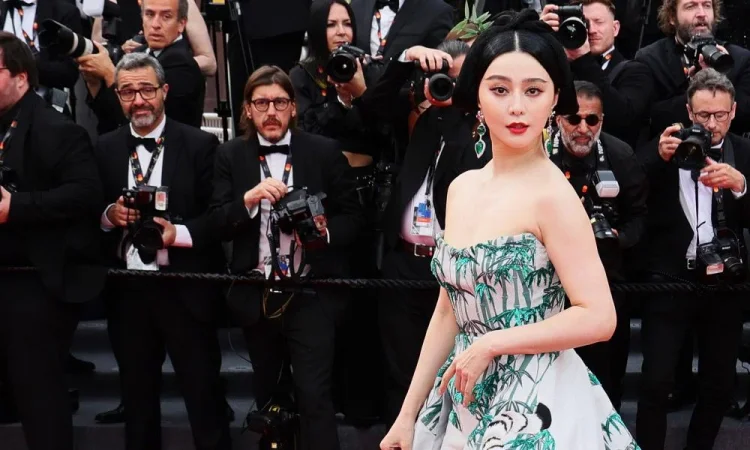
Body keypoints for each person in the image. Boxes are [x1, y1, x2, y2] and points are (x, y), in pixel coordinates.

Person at [379, 10, 637, 449]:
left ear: (555, 99)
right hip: (463, 394)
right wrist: (407, 416)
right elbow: (447, 311)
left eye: (533, 90)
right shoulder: (462, 188)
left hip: (539, 403)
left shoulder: (553, 196)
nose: (517, 106)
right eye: (500, 89)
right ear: (476, 96)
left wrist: (492, 344)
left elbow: (598, 317)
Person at [211, 65, 363, 450]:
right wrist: (247, 201)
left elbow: (354, 218)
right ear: (247, 110)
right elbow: (215, 222)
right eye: (261, 103)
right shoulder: (230, 155)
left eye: (279, 102)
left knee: (314, 395)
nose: (271, 111)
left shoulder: (323, 151)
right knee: (267, 399)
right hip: (257, 294)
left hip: (312, 293)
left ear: (293, 107)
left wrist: (321, 231)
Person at [94, 53, 230, 450]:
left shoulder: (201, 144)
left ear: (164, 91)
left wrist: (178, 234)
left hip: (186, 288)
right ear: (118, 97)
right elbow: (85, 209)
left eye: (146, 90)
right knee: (137, 404)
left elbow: (219, 216)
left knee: (204, 400)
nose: (138, 100)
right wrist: (108, 215)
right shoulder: (103, 148)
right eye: (128, 92)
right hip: (127, 292)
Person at [634, 68, 750, 450]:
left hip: (726, 284)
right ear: (688, 112)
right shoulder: (665, 147)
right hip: (668, 281)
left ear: (734, 112)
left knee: (718, 384)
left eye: (720, 115)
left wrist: (741, 186)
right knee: (655, 382)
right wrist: (655, 156)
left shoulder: (744, 153)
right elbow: (629, 186)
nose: (711, 124)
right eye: (703, 115)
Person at [0, 31, 106, 450]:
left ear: (21, 76)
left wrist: (17, 206)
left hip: (37, 283)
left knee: (39, 395)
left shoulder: (58, 129)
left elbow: (86, 194)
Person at [548, 80, 648, 410]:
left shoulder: (620, 155)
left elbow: (639, 216)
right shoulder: (537, 155)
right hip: (548, 287)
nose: (583, 128)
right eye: (573, 119)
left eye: (592, 120)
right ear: (558, 119)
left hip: (605, 283)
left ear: (602, 121)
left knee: (606, 385)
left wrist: (618, 237)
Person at [80, 0, 205, 133]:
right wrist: (94, 83)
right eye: (149, 14)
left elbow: (143, 122)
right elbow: (108, 118)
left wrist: (109, 73)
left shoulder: (182, 64)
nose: (155, 24)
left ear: (181, 24)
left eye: (166, 17)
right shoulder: (139, 52)